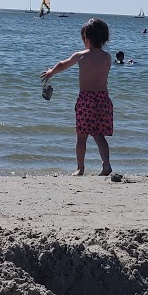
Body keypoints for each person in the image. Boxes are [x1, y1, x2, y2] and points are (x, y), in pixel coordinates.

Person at [41, 18, 114, 176]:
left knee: (81, 137)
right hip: (103, 100)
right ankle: (106, 165)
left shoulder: (81, 56)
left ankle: (80, 168)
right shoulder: (107, 57)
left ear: (86, 38)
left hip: (86, 100)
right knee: (99, 136)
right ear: (104, 39)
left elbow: (63, 64)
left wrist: (51, 72)